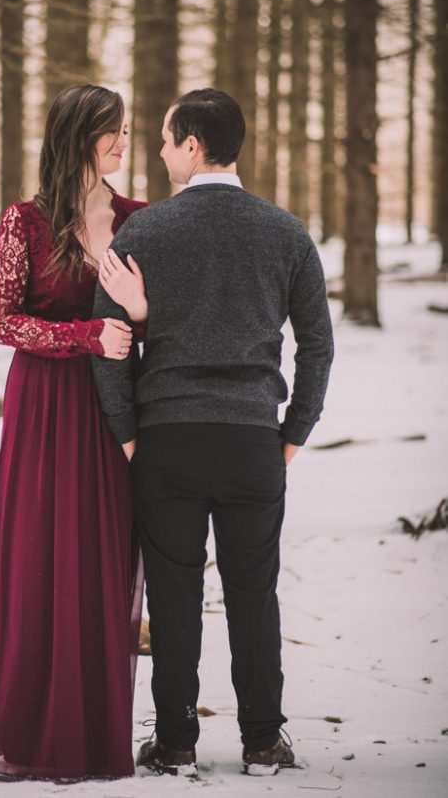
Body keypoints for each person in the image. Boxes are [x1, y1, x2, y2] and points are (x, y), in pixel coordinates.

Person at [91, 88, 334, 777]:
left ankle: (175, 742)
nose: (161, 151)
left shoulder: (142, 234)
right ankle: (261, 740)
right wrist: (292, 432)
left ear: (193, 145)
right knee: (254, 592)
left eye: (167, 139)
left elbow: (107, 342)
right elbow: (317, 345)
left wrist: (127, 431)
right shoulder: (286, 232)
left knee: (172, 595)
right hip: (253, 440)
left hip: (165, 440)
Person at [0, 83, 148, 780]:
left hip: (112, 411)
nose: (123, 144)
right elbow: (4, 320)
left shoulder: (139, 219)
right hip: (42, 404)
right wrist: (86, 335)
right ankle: (25, 728)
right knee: (38, 554)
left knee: (100, 556)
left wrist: (134, 322)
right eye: (112, 132)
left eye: (127, 131)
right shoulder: (25, 221)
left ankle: (92, 731)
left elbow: (151, 318)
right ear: (77, 136)